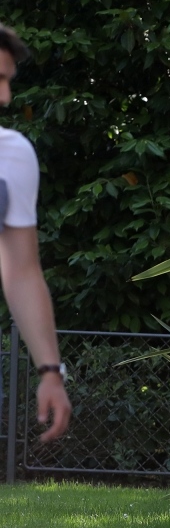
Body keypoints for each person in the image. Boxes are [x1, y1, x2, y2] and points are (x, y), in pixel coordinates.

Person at [0, 25, 71, 444]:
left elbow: (22, 272)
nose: (6, 97)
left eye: (7, 81)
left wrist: (50, 371)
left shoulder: (13, 157)